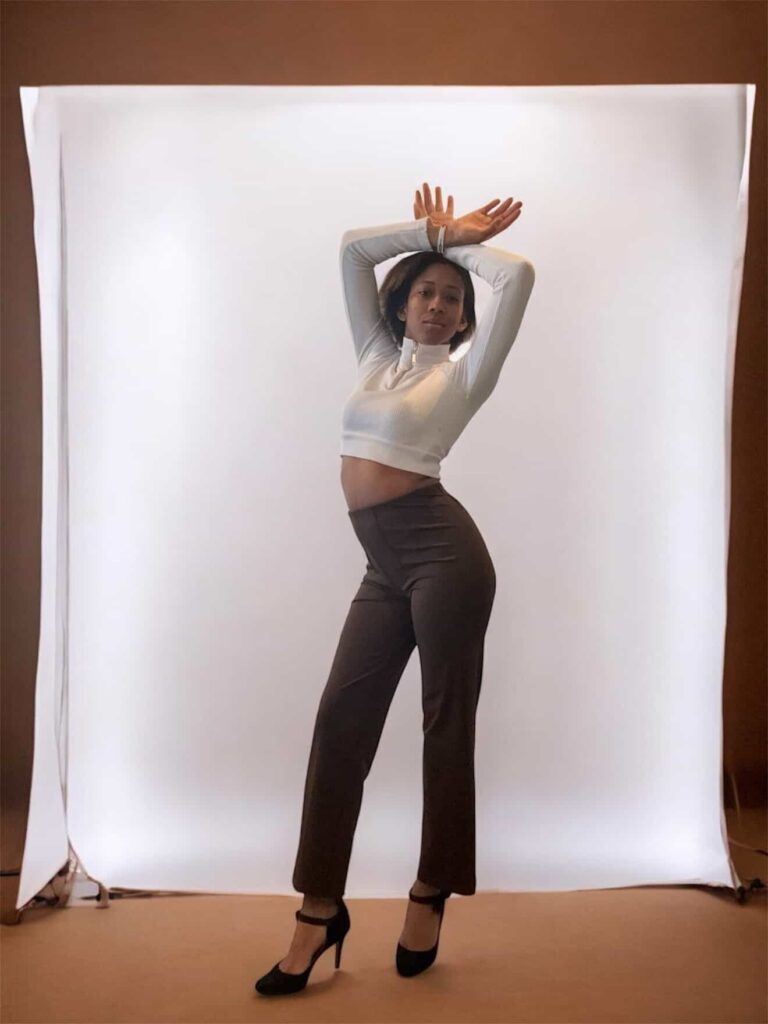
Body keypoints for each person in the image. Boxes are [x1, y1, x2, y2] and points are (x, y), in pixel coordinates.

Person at [255, 182, 535, 995]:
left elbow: (517, 276)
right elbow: (352, 250)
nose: (439, 306)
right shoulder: (376, 359)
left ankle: (431, 887)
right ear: (402, 303)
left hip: (445, 555)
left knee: (444, 724)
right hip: (383, 565)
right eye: (425, 292)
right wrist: (432, 233)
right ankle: (319, 910)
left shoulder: (466, 375)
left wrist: (459, 247)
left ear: (466, 317)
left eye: (453, 298)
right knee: (340, 721)